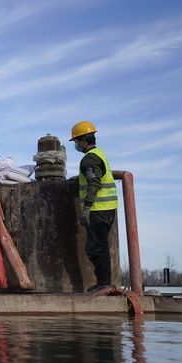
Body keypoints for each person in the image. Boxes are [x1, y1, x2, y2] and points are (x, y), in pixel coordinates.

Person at [69, 120, 118, 292]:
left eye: (76, 141)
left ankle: (104, 284)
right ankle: (103, 282)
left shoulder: (89, 159)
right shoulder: (99, 154)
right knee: (98, 247)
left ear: (83, 139)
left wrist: (86, 208)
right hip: (108, 209)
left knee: (97, 248)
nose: (76, 144)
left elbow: (94, 183)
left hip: (98, 210)